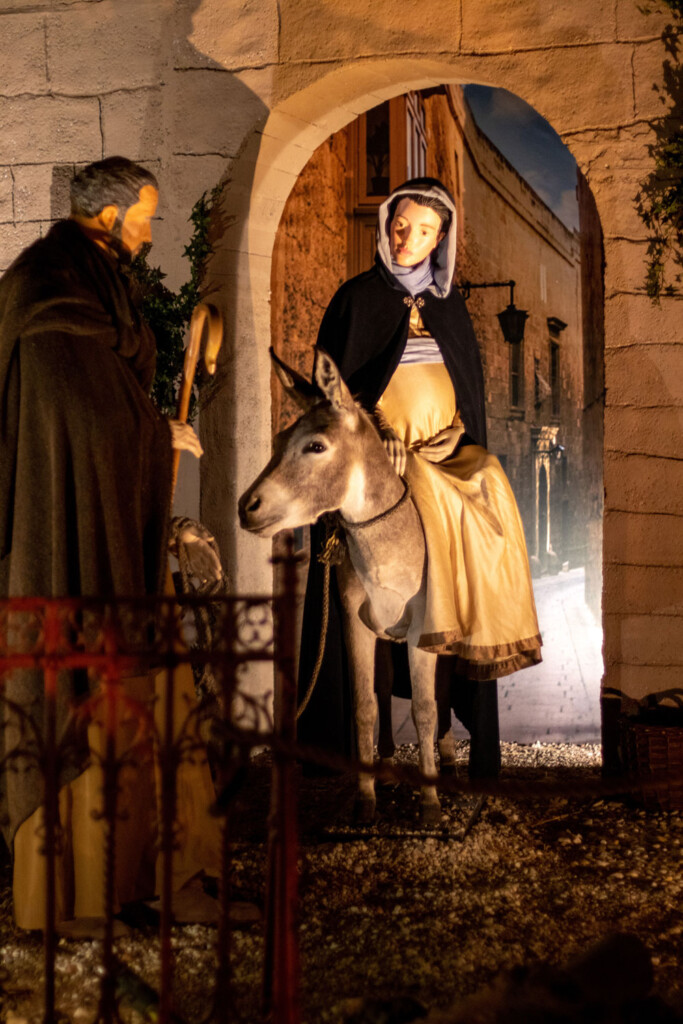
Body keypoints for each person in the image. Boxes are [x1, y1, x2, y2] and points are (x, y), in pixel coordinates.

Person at [0, 157, 221, 932]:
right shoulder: (50, 289)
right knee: (88, 702)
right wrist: (159, 436)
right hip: (68, 546)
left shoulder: (93, 284)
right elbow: (79, 420)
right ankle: (71, 896)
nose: (151, 231)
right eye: (146, 216)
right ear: (109, 215)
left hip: (116, 540)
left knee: (161, 702)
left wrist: (151, 432)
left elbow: (104, 402)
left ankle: (166, 873)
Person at [297, 177, 542, 778]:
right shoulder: (357, 300)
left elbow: (466, 392)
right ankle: (358, 737)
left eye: (424, 231)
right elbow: (335, 397)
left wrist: (458, 431)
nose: (408, 239)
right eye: (401, 226)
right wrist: (377, 434)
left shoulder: (449, 306)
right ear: (387, 226)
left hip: (443, 449)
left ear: (441, 239)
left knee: (486, 481)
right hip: (380, 461)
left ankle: (478, 615)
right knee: (413, 502)